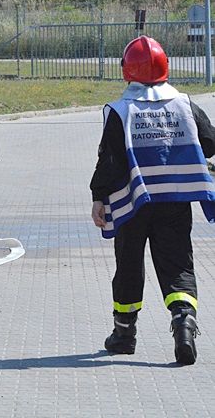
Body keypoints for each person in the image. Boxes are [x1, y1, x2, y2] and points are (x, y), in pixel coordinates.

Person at [90, 35, 215, 365]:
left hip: (132, 203)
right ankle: (184, 321)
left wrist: (99, 198)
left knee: (129, 265)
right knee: (177, 264)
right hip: (174, 201)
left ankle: (124, 334)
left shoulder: (121, 110)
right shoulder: (185, 104)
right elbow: (210, 142)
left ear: (127, 71)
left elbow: (109, 160)